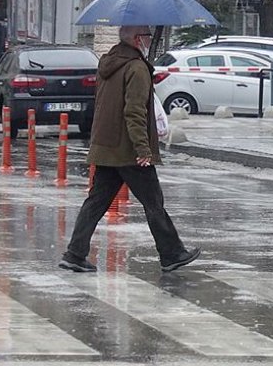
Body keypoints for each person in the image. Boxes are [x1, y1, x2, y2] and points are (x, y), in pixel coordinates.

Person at [59, 25, 200, 273]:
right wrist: (143, 149)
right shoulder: (136, 67)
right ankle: (172, 253)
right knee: (153, 202)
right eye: (146, 36)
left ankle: (74, 253)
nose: (148, 40)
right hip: (128, 150)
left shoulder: (108, 63)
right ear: (137, 39)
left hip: (106, 145)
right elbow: (134, 112)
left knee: (96, 202)